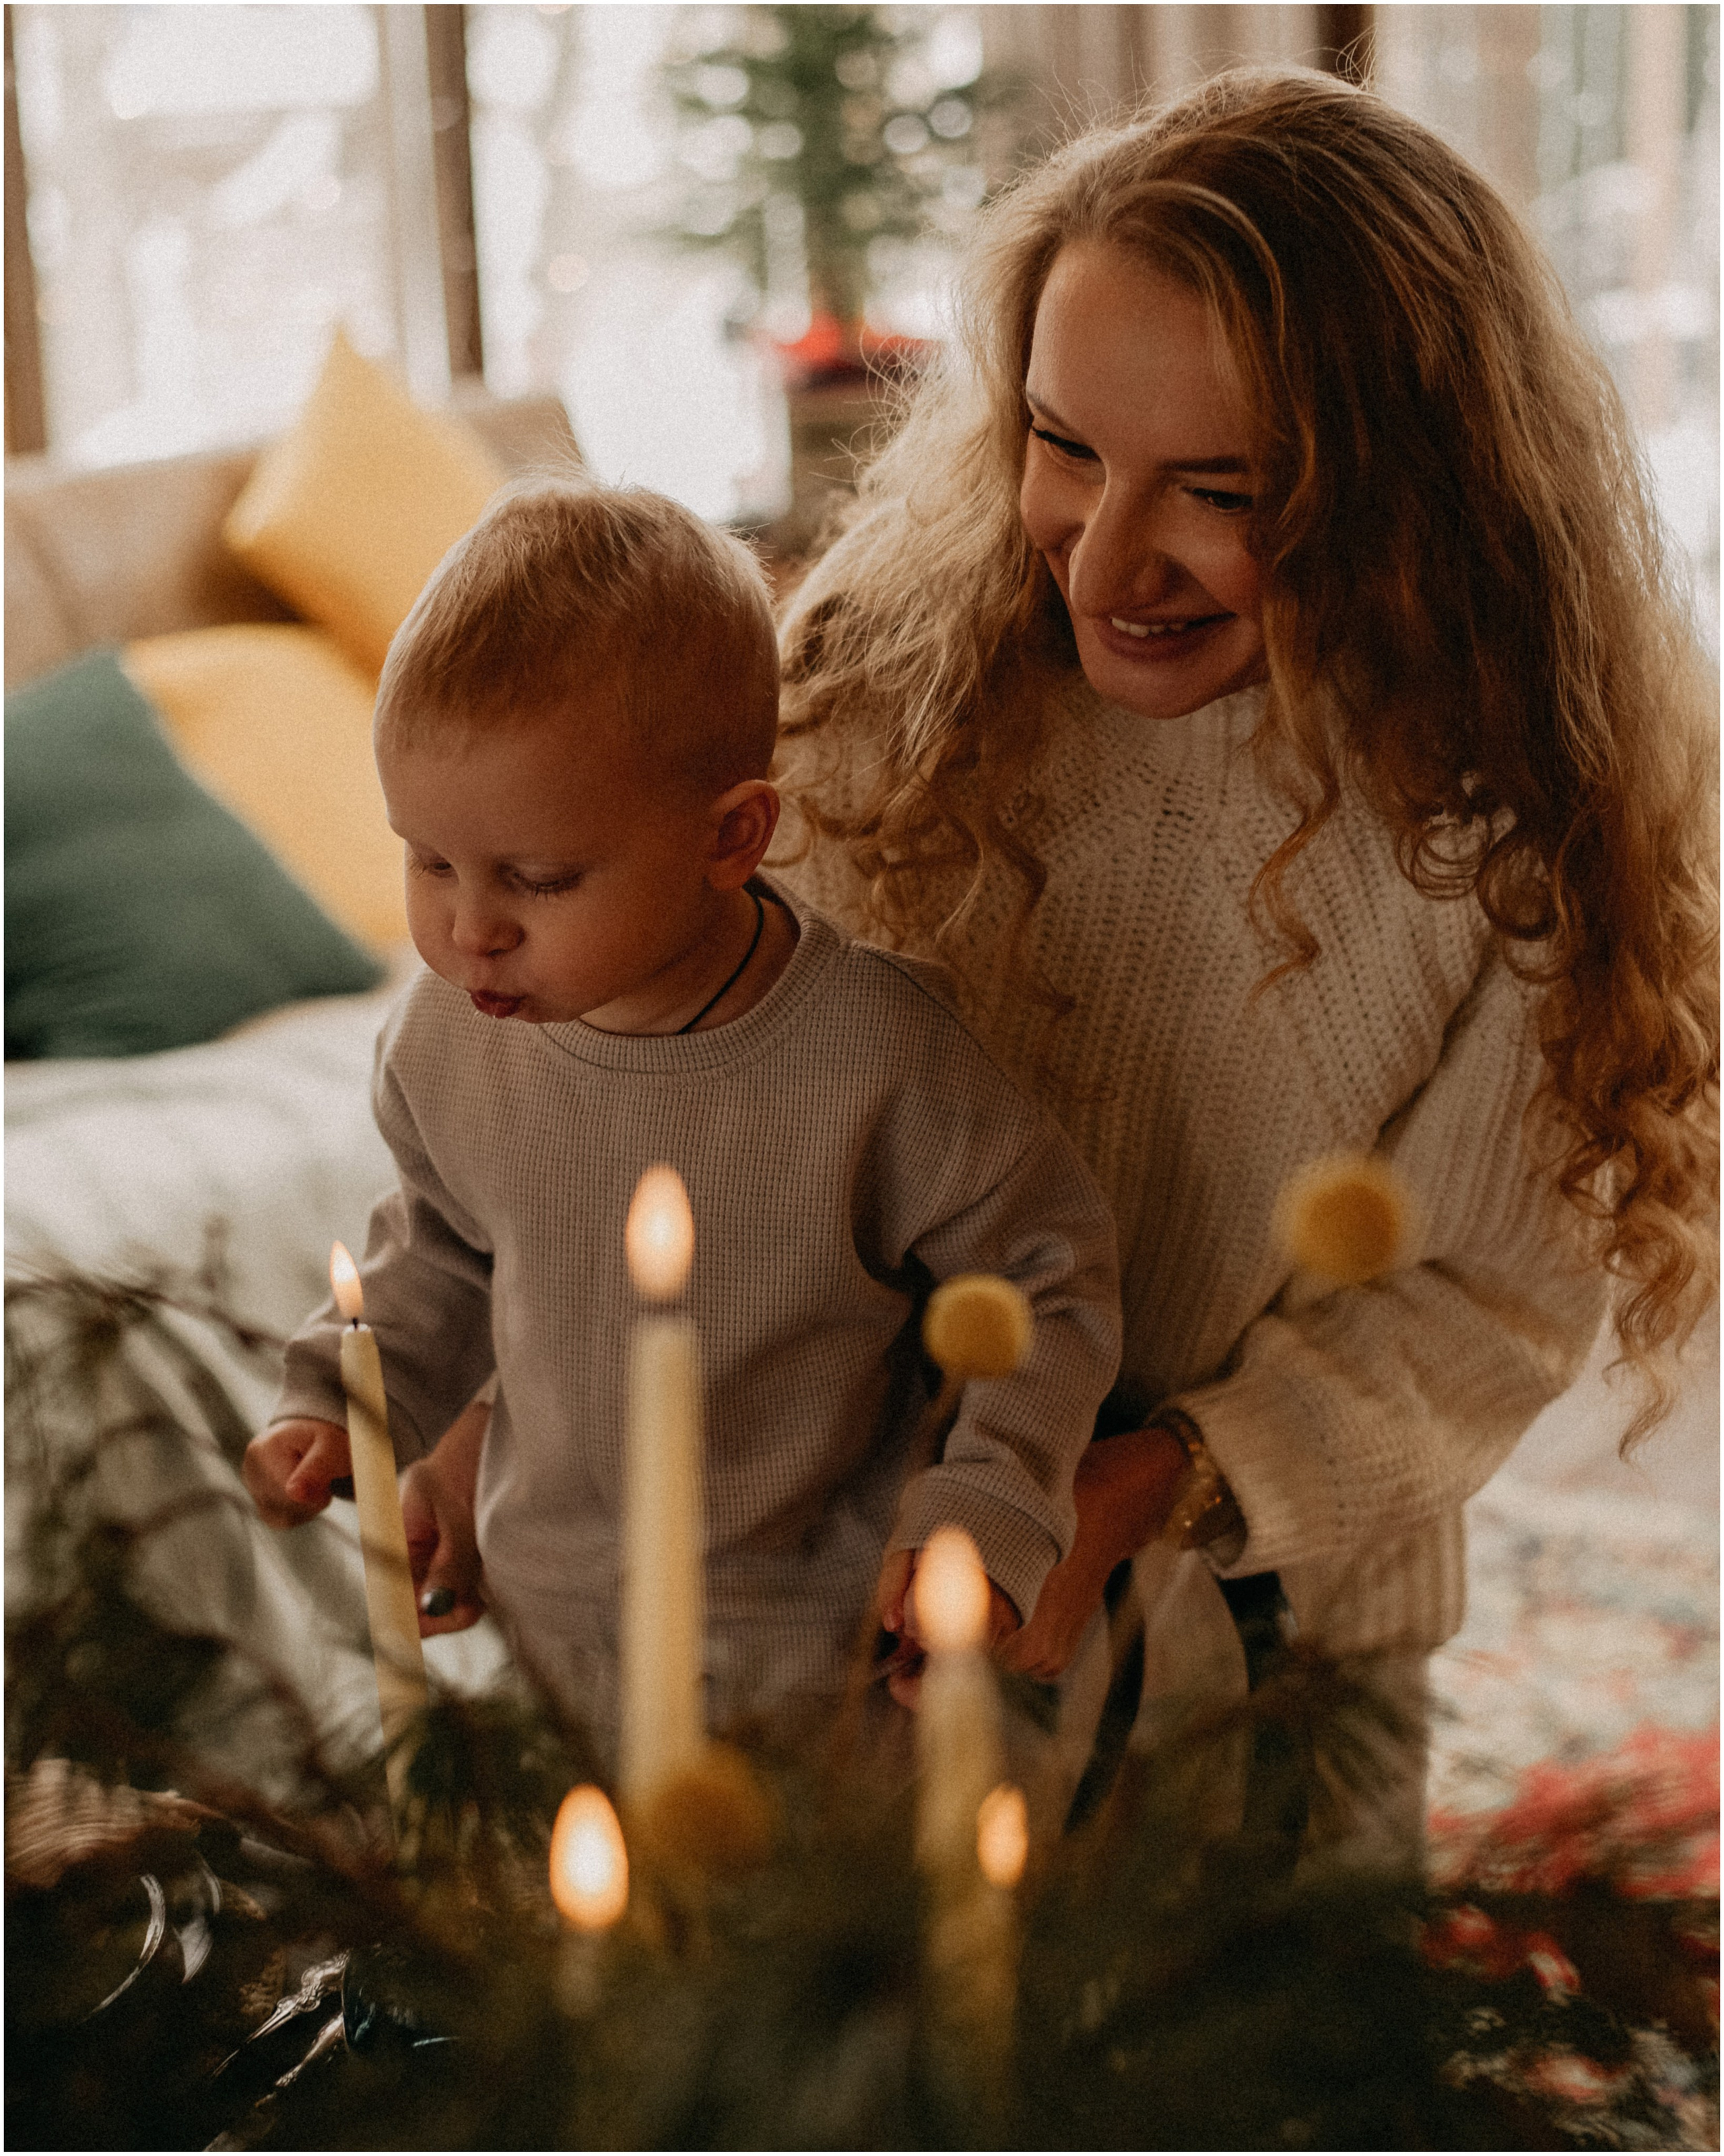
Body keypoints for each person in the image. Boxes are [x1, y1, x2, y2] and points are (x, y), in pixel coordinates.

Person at [772, 68, 1717, 1859]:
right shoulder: (888, 702)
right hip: (875, 1584)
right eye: (1064, 445)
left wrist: (1138, 1489)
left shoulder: (1524, 821)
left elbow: (1482, 1306)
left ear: (1417, 490)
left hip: (1283, 1649)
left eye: (1221, 487)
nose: (1107, 559)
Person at [242, 476, 1121, 1759]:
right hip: (548, 1646)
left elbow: (1049, 1280)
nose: (466, 927)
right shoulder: (448, 1032)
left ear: (731, 838)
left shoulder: (876, 1058)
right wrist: (345, 1402)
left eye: (536, 878)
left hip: (825, 1677)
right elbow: (439, 1248)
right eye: (426, 859)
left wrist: (987, 1507)